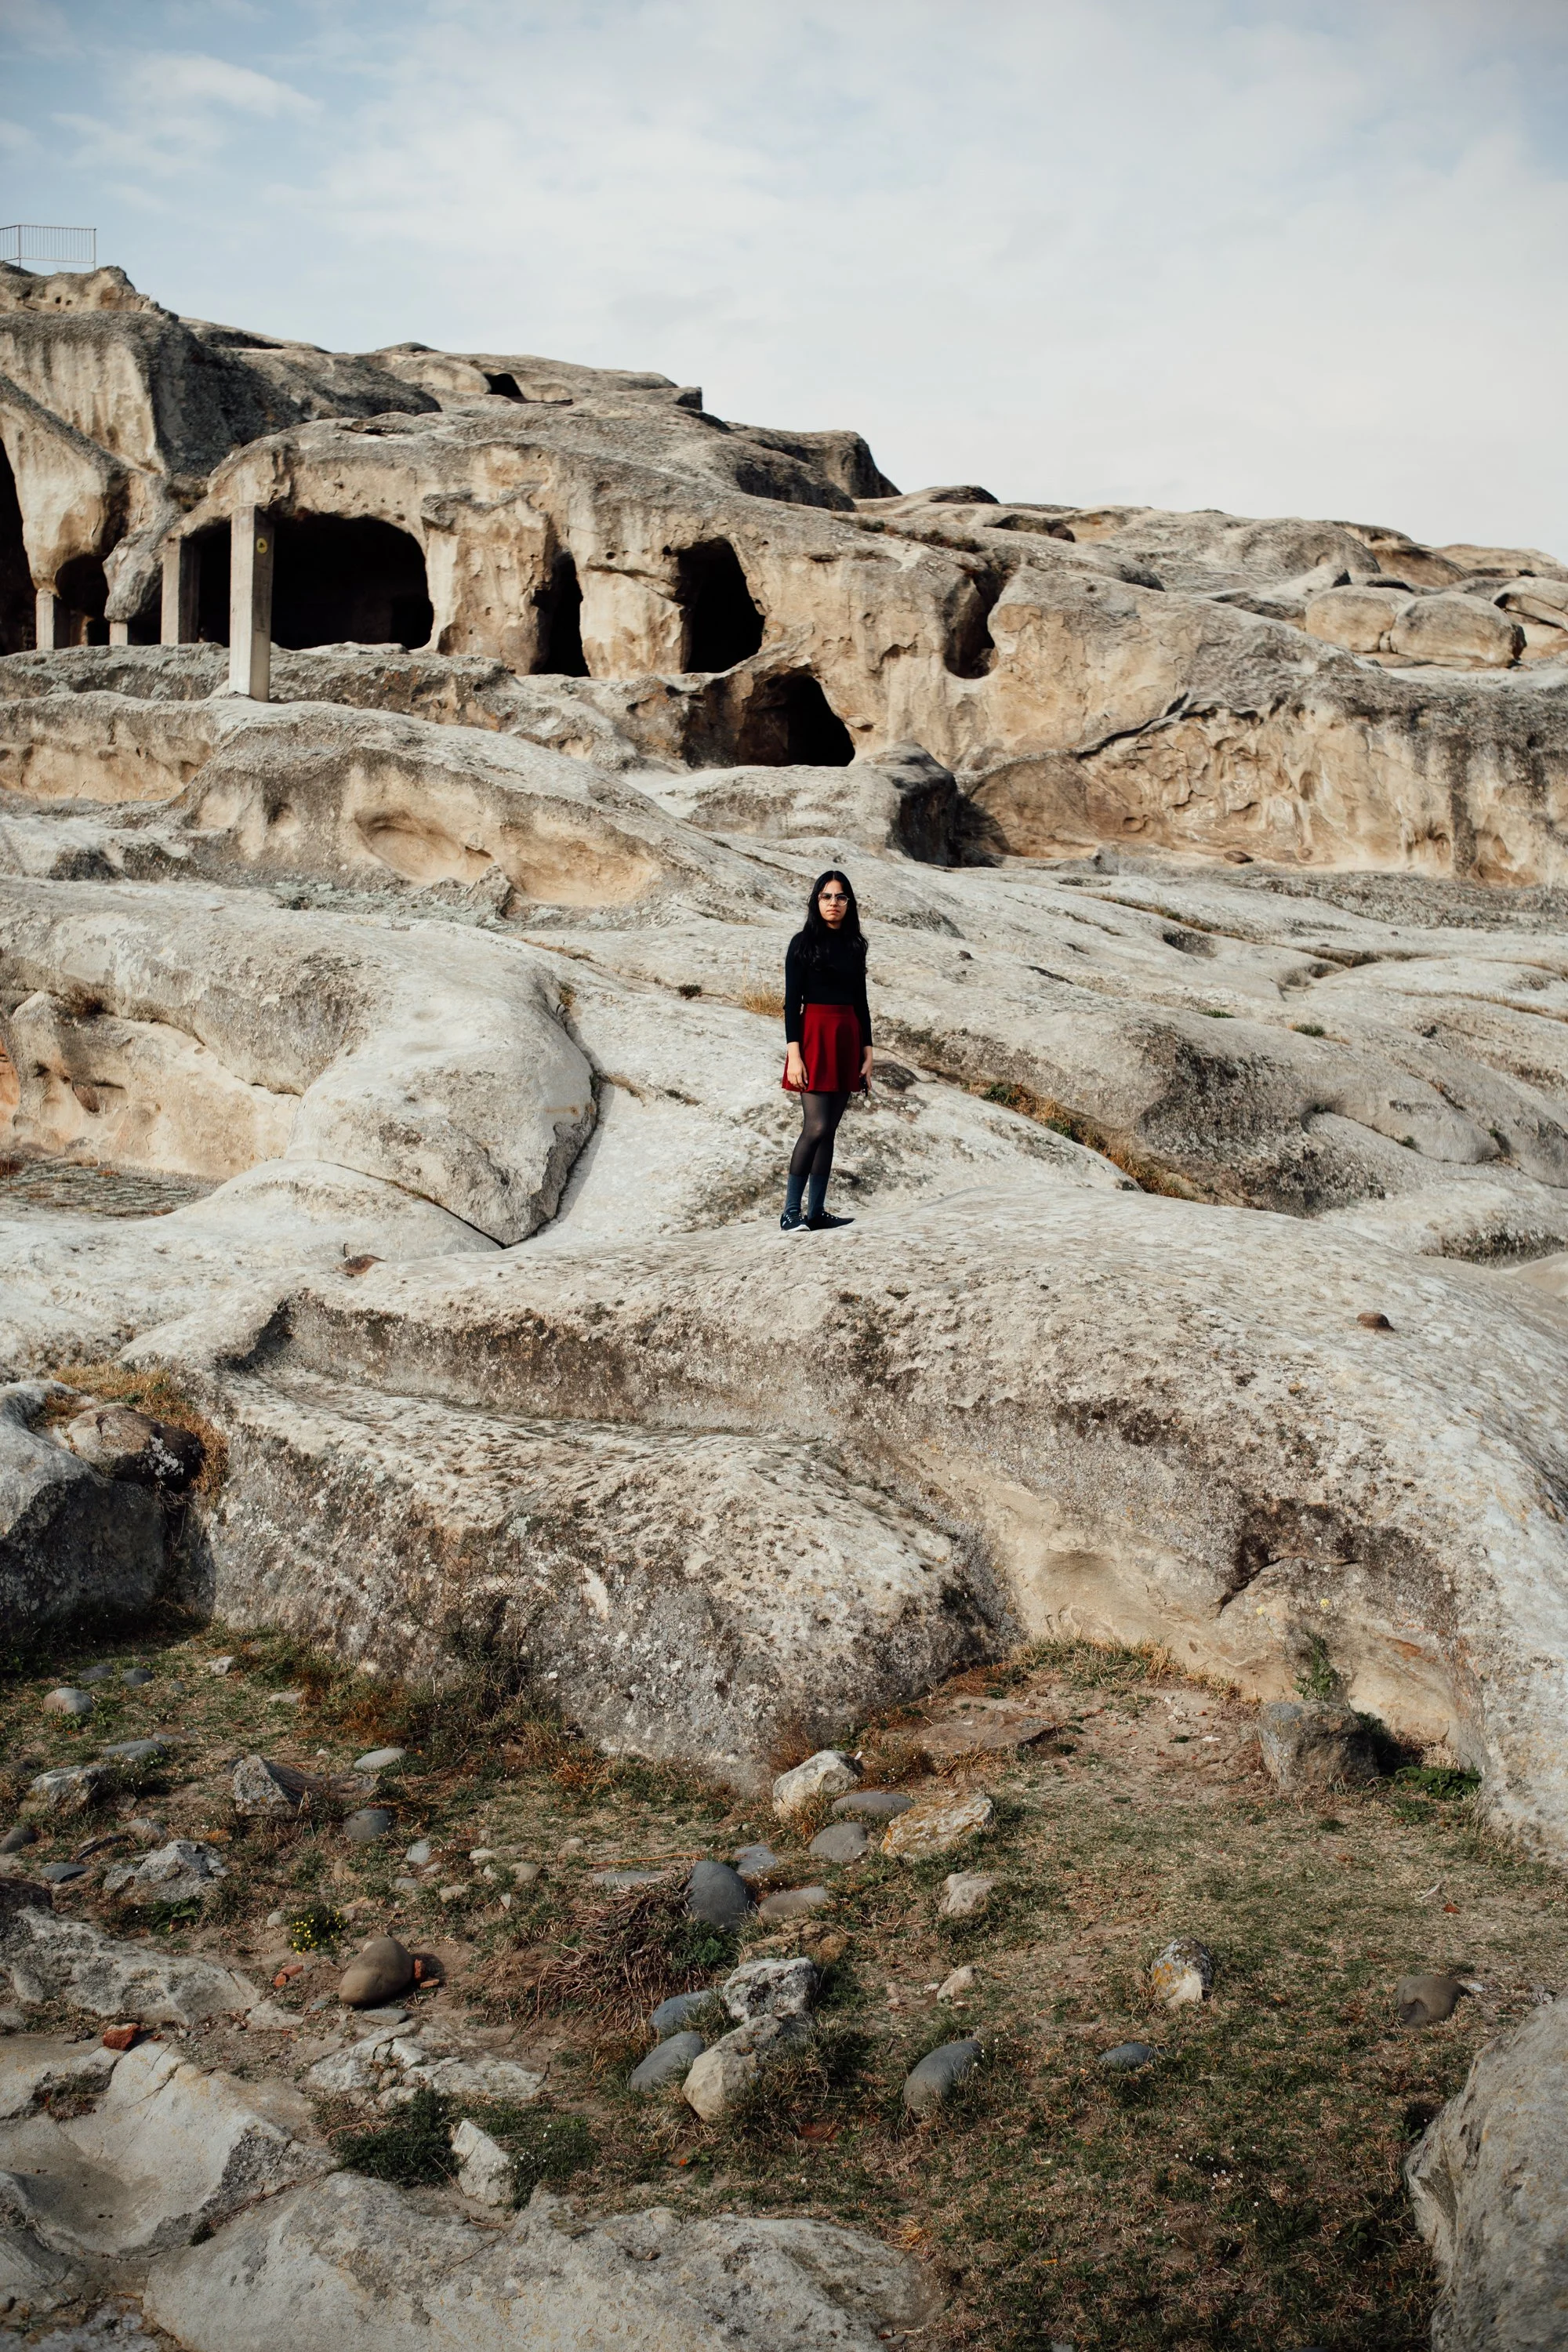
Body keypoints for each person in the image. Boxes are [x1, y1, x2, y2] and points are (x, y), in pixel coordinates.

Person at [779, 868, 873, 1232]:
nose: (833, 903)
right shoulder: (802, 943)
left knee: (830, 1129)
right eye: (826, 896)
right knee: (816, 1125)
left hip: (847, 1035)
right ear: (816, 901)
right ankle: (790, 1212)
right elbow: (791, 1003)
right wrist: (794, 1054)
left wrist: (868, 1050)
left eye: (840, 897)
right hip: (814, 1035)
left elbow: (861, 1002)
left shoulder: (855, 945)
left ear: (849, 903)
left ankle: (816, 1211)